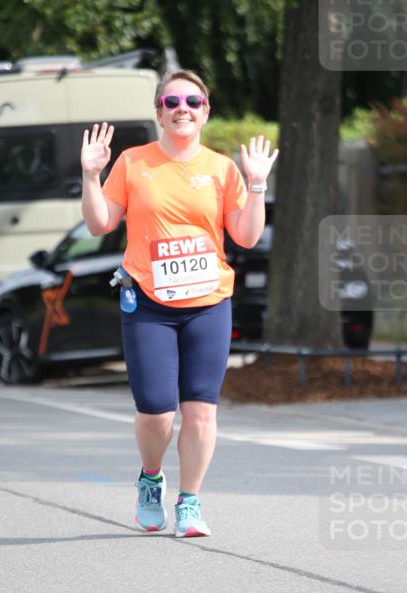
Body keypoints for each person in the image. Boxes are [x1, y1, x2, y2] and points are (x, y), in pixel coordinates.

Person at [80, 70, 277, 538]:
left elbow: (246, 236)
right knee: (156, 410)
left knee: (201, 409)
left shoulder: (222, 169)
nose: (182, 108)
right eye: (172, 101)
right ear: (159, 113)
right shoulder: (132, 162)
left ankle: (190, 501)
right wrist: (91, 175)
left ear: (205, 111)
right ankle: (151, 479)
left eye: (192, 100)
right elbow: (99, 224)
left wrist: (256, 185)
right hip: (148, 302)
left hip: (209, 302)